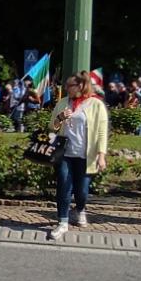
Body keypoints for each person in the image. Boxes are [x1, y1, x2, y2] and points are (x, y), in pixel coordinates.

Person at [47, 71, 110, 241]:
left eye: (70, 85)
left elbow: (102, 132)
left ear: (81, 86)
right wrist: (60, 118)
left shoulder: (96, 105)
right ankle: (62, 222)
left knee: (82, 191)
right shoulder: (62, 103)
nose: (66, 88)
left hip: (85, 155)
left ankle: (80, 209)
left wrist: (101, 155)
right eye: (66, 85)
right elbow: (51, 127)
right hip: (65, 153)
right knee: (64, 184)